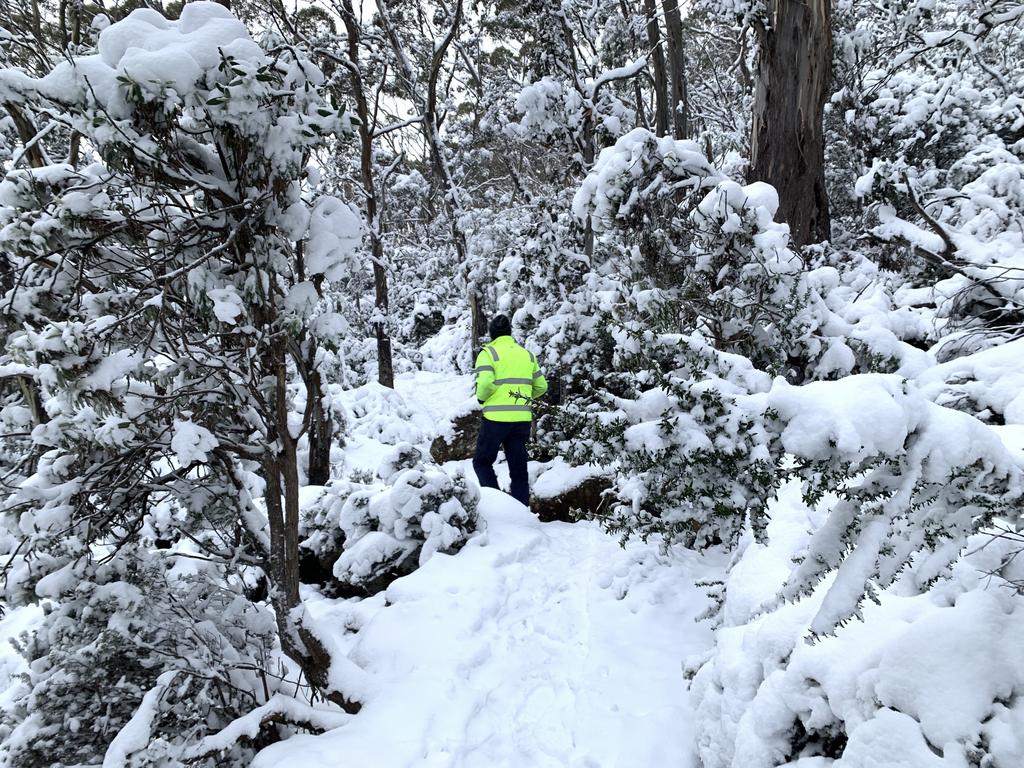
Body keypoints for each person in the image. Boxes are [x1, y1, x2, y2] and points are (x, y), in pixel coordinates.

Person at [472, 314, 548, 506]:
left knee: (482, 462)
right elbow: (542, 387)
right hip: (521, 419)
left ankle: (498, 507)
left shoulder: (488, 353)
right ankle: (521, 511)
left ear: (491, 334)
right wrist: (523, 398)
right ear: (509, 332)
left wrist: (483, 399)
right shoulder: (526, 354)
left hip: (495, 419)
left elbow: (485, 385)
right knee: (518, 469)